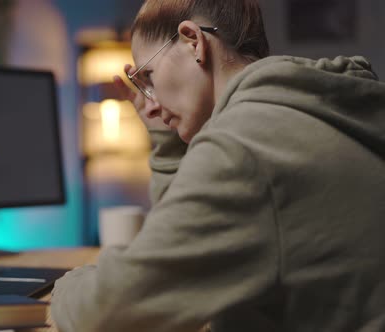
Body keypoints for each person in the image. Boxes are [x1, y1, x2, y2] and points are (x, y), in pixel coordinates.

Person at [50, 0, 385, 331]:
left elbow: (109, 313)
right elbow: (190, 256)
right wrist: (167, 141)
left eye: (148, 77)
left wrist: (66, 285)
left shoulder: (246, 145)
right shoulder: (312, 108)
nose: (148, 105)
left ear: (192, 41)